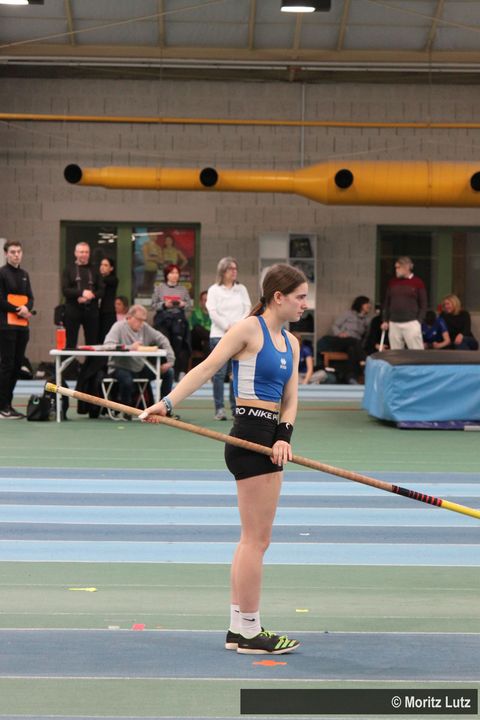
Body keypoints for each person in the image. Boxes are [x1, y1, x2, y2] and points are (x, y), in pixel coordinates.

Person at [139, 263, 305, 655]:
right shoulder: (248, 329)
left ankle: (238, 627)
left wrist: (284, 436)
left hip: (271, 438)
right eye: (299, 297)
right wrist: (167, 404)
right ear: (278, 297)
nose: (304, 304)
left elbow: (291, 398)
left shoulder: (293, 343)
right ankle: (250, 631)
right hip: (249, 437)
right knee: (256, 541)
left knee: (253, 540)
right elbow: (207, 367)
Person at [104, 304, 175, 418]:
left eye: (143, 320)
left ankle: (163, 408)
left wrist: (170, 361)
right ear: (129, 317)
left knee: (169, 372)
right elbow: (107, 345)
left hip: (139, 367)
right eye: (139, 320)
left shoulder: (145, 328)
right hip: (119, 366)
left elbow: (163, 339)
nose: (141, 324)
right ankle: (127, 412)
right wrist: (129, 347)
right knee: (126, 380)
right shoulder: (118, 327)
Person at [206, 257, 251, 420]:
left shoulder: (241, 289)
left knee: (236, 373)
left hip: (238, 336)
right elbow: (212, 311)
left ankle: (235, 408)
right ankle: (219, 409)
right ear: (223, 271)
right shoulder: (214, 290)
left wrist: (238, 327)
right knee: (219, 374)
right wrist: (227, 326)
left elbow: (247, 308)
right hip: (219, 335)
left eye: (235, 268)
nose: (234, 271)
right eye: (230, 269)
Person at [0, 240, 34, 419]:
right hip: (6, 327)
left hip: (22, 327)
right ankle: (2, 406)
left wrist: (27, 308)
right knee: (6, 366)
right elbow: (1, 300)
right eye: (13, 252)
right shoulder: (2, 273)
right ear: (6, 254)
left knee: (16, 366)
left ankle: (9, 404)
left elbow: (30, 298)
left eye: (19, 252)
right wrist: (18, 309)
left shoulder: (24, 274)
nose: (16, 255)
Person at [317, 295, 371, 384]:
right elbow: (335, 325)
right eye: (367, 303)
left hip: (354, 344)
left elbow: (366, 336)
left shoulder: (367, 320)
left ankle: (351, 378)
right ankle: (365, 361)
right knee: (354, 341)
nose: (369, 306)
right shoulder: (349, 314)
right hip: (342, 340)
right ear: (361, 304)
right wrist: (339, 333)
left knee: (352, 350)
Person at [151, 263, 192, 380]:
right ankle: (165, 371)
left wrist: (183, 304)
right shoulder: (159, 288)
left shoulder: (183, 290)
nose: (175, 275)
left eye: (177, 273)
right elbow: (153, 305)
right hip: (163, 320)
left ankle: (178, 372)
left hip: (178, 320)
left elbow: (189, 306)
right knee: (164, 342)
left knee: (180, 344)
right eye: (172, 273)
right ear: (166, 275)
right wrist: (164, 304)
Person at [61, 242, 104, 349]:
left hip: (91, 310)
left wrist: (91, 295)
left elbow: (102, 290)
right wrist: (81, 293)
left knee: (92, 343)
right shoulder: (68, 269)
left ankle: (90, 361)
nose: (84, 255)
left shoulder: (95, 269)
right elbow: (65, 290)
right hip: (73, 309)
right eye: (81, 252)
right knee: (70, 343)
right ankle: (70, 360)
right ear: (76, 253)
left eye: (86, 252)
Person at [381, 256, 427, 350]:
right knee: (395, 353)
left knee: (416, 352)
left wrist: (418, 321)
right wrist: (385, 320)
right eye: (396, 267)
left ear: (406, 267)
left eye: (398, 267)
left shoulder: (417, 282)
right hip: (394, 322)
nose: (396, 270)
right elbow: (387, 303)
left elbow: (423, 303)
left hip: (411, 322)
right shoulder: (392, 282)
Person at [98, 256, 119, 342]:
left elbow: (103, 281)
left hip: (108, 313)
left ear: (111, 268)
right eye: (101, 264)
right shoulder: (99, 279)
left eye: (106, 265)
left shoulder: (112, 279)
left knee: (107, 337)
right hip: (97, 312)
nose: (102, 267)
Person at [189, 290, 211, 366]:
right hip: (197, 342)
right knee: (197, 328)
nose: (207, 302)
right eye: (205, 300)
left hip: (209, 342)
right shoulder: (195, 313)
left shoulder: (215, 314)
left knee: (207, 343)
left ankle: (207, 368)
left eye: (209, 300)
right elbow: (191, 329)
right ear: (201, 302)